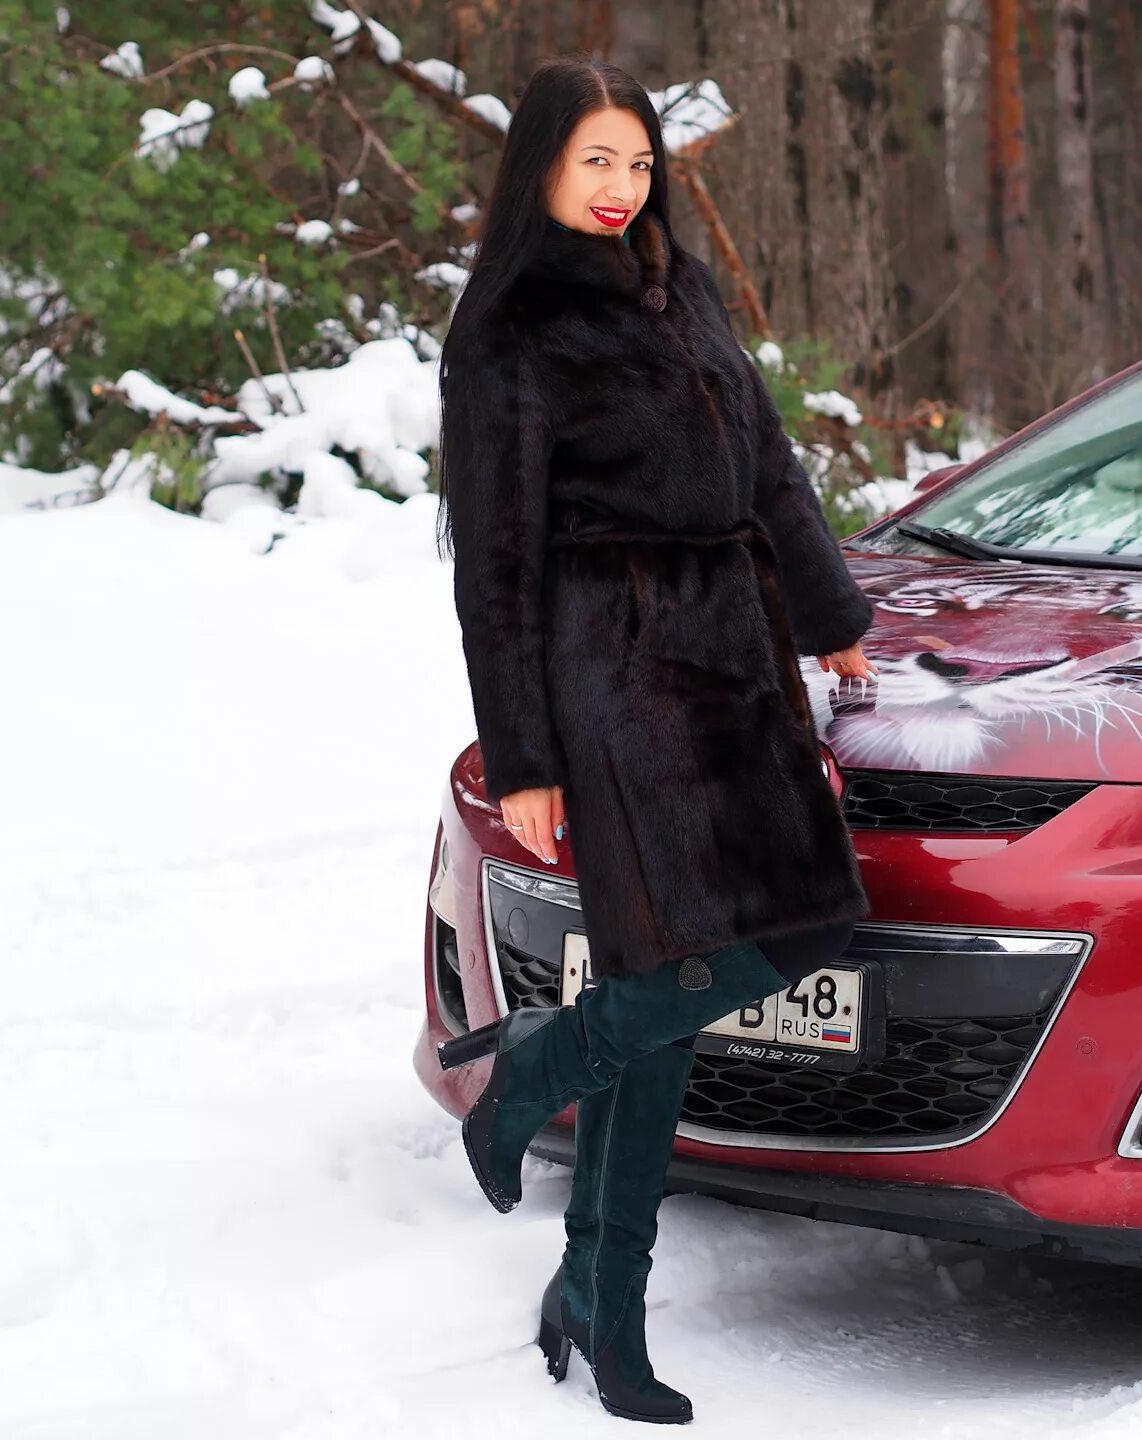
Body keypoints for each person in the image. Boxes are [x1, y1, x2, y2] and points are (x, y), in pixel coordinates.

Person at [434, 56, 878, 1425]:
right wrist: (525, 759)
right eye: (596, 163)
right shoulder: (509, 331)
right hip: (613, 668)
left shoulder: (680, 287)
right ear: (541, 169)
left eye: (638, 163)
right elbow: (493, 567)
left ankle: (579, 1249)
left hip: (737, 658)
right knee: (676, 973)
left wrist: (829, 616)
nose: (623, 188)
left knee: (775, 938)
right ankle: (594, 1257)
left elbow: (771, 463)